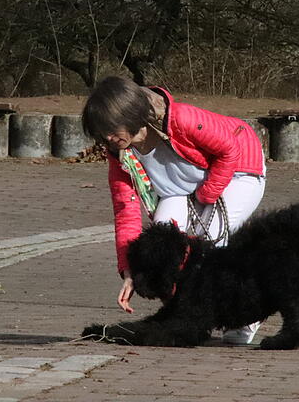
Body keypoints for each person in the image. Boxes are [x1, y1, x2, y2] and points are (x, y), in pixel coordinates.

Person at [82, 76, 267, 345]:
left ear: (132, 115)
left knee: (212, 240)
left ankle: (248, 313)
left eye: (112, 129)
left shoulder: (182, 119)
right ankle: (185, 313)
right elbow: (126, 212)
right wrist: (129, 270)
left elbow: (228, 151)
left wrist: (207, 195)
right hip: (183, 189)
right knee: (158, 249)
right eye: (102, 133)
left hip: (240, 170)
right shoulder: (119, 156)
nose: (108, 138)